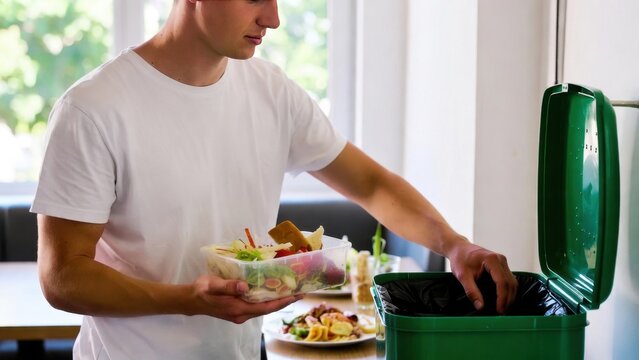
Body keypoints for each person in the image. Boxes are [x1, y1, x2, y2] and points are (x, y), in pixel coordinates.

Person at [32, 1, 518, 359]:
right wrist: (188, 300)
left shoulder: (272, 91)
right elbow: (62, 276)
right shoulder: (92, 109)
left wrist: (454, 244)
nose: (273, 17)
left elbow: (371, 185)